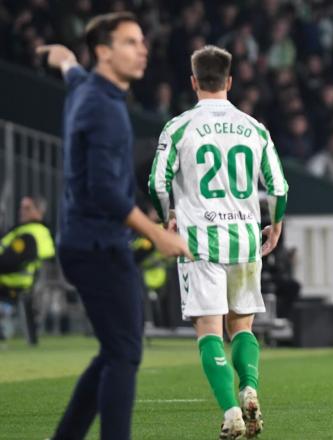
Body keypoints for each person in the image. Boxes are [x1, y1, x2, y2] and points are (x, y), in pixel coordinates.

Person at [36, 12, 191, 440]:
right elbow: (106, 192)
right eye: (129, 42)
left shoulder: (87, 86)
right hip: (97, 246)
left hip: (86, 242)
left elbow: (72, 72)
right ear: (104, 52)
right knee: (125, 352)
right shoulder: (101, 106)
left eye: (141, 41)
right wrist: (157, 234)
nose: (142, 49)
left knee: (115, 350)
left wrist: (61, 58)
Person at [149, 45, 288, 439]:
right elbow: (278, 186)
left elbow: (157, 182)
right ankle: (250, 388)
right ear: (230, 81)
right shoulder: (254, 127)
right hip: (244, 241)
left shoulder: (179, 127)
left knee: (209, 330)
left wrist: (167, 217)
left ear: (193, 82)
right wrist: (274, 225)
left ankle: (231, 413)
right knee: (242, 326)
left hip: (199, 243)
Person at [0, 195, 55, 344]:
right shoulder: (37, 231)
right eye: (21, 207)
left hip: (12, 283)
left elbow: (8, 262)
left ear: (39, 211)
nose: (22, 211)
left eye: (27, 208)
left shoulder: (29, 235)